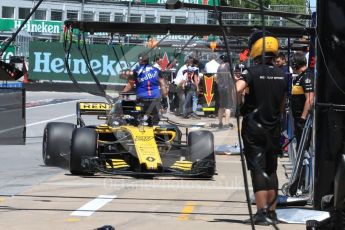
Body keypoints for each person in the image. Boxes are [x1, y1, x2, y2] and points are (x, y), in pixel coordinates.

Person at [236, 31, 288, 225]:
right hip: (273, 128)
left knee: (257, 169)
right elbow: (282, 106)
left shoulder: (251, 71)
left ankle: (261, 213)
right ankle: (272, 214)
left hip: (253, 128)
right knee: (271, 169)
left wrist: (238, 103)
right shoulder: (282, 75)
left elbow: (237, 88)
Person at [122, 53, 168, 126]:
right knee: (155, 121)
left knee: (135, 117)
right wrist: (165, 99)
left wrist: (122, 94)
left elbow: (129, 86)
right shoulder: (156, 70)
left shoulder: (136, 71)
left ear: (139, 61)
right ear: (148, 60)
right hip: (155, 99)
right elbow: (163, 85)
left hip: (142, 99)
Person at [290, 52, 314, 147]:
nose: (291, 66)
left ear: (295, 64)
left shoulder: (307, 77)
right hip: (297, 117)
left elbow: (309, 99)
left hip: (303, 119)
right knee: (299, 144)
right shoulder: (300, 77)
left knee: (304, 147)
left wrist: (303, 119)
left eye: (292, 64)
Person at [215, 54, 234, 128]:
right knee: (228, 106)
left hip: (220, 88)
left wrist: (220, 85)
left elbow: (216, 78)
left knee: (221, 106)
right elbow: (230, 76)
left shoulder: (220, 66)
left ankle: (220, 123)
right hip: (228, 88)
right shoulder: (229, 66)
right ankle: (226, 124)